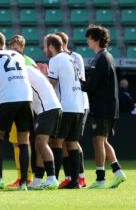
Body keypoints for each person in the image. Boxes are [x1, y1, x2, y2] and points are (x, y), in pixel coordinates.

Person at [0, 32, 33, 191]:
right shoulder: (18, 55)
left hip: (7, 99)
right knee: (24, 140)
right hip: (26, 99)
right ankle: (24, 183)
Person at [82, 25, 126, 189]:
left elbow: (92, 86)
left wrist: (78, 82)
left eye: (89, 38)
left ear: (96, 39)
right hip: (106, 107)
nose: (87, 41)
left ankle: (100, 179)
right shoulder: (104, 57)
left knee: (98, 140)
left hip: (103, 107)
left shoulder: (102, 58)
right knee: (102, 140)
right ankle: (117, 171)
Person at [43, 34, 84, 189]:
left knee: (56, 142)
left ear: (51, 46)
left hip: (65, 107)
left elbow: (52, 83)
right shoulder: (70, 58)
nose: (44, 49)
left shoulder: (55, 60)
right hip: (78, 106)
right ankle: (75, 181)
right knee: (72, 143)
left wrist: (42, 76)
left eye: (45, 46)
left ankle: (53, 178)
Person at [55, 32, 88, 188]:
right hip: (74, 104)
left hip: (78, 103)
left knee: (69, 142)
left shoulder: (75, 57)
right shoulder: (65, 60)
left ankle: (79, 176)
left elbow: (81, 81)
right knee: (68, 143)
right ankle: (70, 178)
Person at [25, 65, 62, 190]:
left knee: (41, 143)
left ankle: (52, 178)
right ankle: (38, 179)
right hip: (50, 108)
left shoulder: (24, 71)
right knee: (38, 144)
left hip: (47, 109)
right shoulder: (30, 70)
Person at [6, 35, 35, 188]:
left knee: (24, 142)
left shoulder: (28, 62)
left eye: (16, 48)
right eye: (11, 48)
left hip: (24, 105)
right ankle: (20, 177)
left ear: (22, 48)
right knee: (16, 143)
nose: (13, 50)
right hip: (15, 104)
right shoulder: (9, 61)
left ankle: (28, 177)